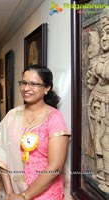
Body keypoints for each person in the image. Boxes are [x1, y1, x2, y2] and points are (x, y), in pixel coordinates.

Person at [0, 65, 70, 200]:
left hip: (46, 192)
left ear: (47, 88)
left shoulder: (54, 118)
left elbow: (55, 166)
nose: (26, 88)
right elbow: (2, 156)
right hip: (16, 190)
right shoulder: (13, 115)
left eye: (33, 84)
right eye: (23, 83)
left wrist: (25, 196)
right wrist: (10, 192)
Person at [86, 14, 109, 193]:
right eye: (102, 34)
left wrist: (99, 69)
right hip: (97, 102)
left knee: (105, 140)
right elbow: (91, 82)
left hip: (106, 105)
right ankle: (101, 174)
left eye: (108, 33)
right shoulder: (101, 59)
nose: (104, 38)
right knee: (98, 140)